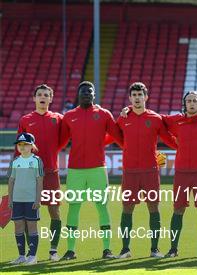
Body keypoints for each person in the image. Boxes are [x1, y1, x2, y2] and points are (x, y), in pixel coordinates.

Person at [58, 81, 123, 260]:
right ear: (78, 95)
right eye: (83, 91)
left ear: (94, 95)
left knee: (102, 207)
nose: (86, 93)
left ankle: (107, 250)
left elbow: (119, 137)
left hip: (98, 170)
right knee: (74, 208)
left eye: (89, 91)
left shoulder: (104, 114)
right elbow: (61, 143)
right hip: (75, 170)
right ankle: (70, 250)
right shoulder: (69, 116)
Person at [115, 82, 178, 259]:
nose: (137, 98)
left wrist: (185, 145)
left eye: (140, 95)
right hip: (130, 171)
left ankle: (155, 249)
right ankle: (125, 249)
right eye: (134, 95)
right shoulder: (123, 118)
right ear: (130, 98)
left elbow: (170, 140)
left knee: (153, 208)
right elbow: (116, 136)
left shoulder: (156, 118)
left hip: (150, 171)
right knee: (127, 208)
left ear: (146, 97)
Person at [162, 91, 197, 258]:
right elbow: (157, 121)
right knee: (178, 209)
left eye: (195, 100)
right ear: (185, 103)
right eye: (189, 101)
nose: (192, 103)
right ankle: (173, 249)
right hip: (181, 174)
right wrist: (129, 109)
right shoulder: (176, 120)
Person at [17, 84, 63, 261]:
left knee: (54, 212)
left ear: (51, 98)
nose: (43, 97)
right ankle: (31, 253)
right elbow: (19, 148)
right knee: (29, 215)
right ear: (34, 98)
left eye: (46, 95)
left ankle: (53, 251)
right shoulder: (25, 120)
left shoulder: (58, 118)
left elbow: (66, 137)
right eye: (40, 95)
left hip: (51, 173)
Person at [8, 132, 44, 265]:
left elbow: (39, 181)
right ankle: (21, 256)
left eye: (25, 144)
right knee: (18, 226)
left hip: (31, 200)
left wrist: (38, 199)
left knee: (32, 226)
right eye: (19, 144)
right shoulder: (15, 161)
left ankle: (33, 256)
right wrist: (10, 199)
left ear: (32, 146)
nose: (22, 147)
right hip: (17, 200)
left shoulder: (36, 161)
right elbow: (11, 181)